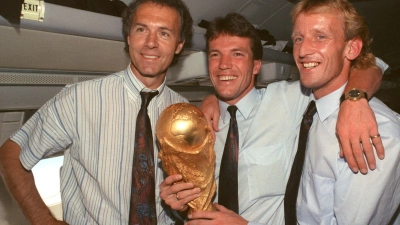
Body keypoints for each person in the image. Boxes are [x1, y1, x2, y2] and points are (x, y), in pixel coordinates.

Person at [159, 12, 386, 225]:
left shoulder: (289, 99)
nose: (223, 65)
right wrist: (179, 206)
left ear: (257, 65)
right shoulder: (196, 126)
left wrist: (354, 99)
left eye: (237, 54)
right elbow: (194, 203)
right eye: (215, 55)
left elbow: (373, 65)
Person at [0, 0, 193, 224]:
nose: (151, 43)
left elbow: (187, 196)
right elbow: (11, 154)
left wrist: (183, 207)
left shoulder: (185, 112)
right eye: (141, 29)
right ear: (129, 37)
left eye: (164, 34)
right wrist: (44, 220)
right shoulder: (79, 99)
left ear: (179, 45)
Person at [290, 0, 400, 224]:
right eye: (298, 39)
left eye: (320, 37)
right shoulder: (307, 105)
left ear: (351, 48)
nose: (302, 50)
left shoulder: (377, 134)